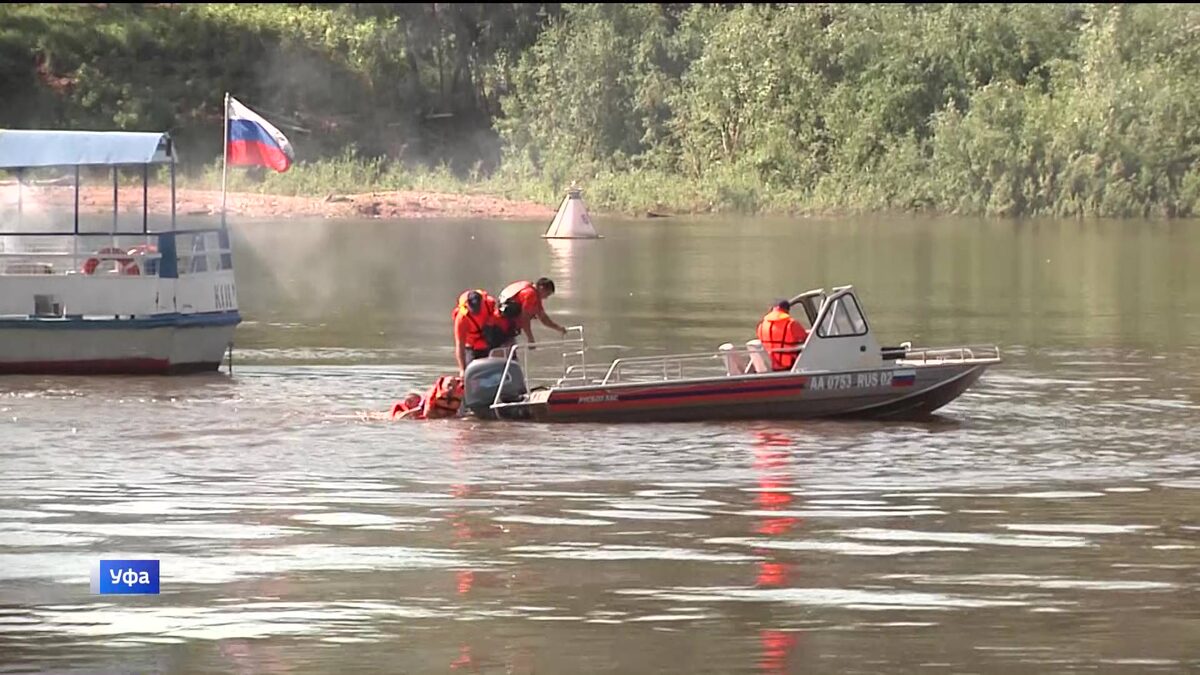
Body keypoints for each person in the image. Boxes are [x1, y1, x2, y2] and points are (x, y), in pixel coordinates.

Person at [498, 277, 567, 346]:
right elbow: (525, 318)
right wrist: (530, 338)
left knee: (509, 352)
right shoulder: (530, 294)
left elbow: (543, 318)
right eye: (547, 294)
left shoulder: (535, 296)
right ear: (541, 288)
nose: (546, 297)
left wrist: (558, 328)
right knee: (505, 351)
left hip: (505, 327)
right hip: (502, 327)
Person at [756, 299, 808, 371]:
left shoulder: (762, 325)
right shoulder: (791, 324)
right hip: (787, 365)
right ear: (787, 310)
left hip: (768, 364)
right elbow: (805, 338)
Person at [452, 289, 496, 375]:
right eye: (473, 308)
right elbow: (460, 345)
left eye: (477, 307)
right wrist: (462, 369)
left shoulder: (489, 303)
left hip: (489, 338)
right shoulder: (462, 319)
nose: (476, 311)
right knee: (471, 372)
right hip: (471, 346)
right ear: (467, 305)